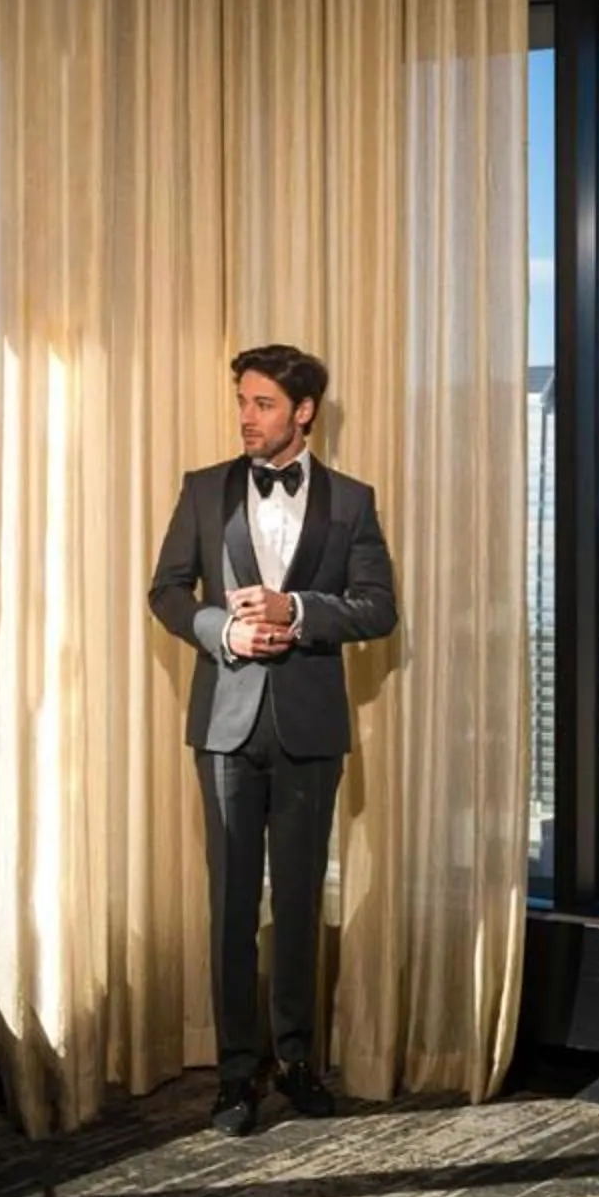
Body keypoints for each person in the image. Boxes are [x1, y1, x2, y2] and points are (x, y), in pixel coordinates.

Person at [146, 343, 398, 1136]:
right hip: (224, 724)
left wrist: (297, 612)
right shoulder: (203, 490)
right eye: (243, 403)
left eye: (261, 404)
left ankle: (295, 1061)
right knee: (230, 904)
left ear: (303, 412)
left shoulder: (352, 501)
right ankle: (233, 1075)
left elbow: (379, 609)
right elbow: (165, 591)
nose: (246, 417)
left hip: (309, 727)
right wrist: (223, 631)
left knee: (296, 901)